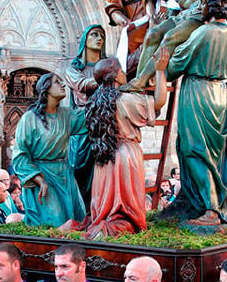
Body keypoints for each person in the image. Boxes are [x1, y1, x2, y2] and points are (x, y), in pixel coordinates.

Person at [158, 0, 227, 225]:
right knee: (217, 153)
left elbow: (174, 67)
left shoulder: (202, 33)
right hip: (219, 93)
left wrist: (163, 65)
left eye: (202, 2)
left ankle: (210, 210)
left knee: (195, 150)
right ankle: (213, 202)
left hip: (197, 93)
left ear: (208, 4)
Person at [70, 54, 168, 238]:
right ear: (115, 76)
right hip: (126, 156)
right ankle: (113, 228)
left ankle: (105, 224)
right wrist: (161, 70)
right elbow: (159, 102)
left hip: (103, 158)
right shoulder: (125, 99)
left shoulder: (93, 103)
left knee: (106, 206)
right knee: (127, 208)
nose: (124, 74)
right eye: (121, 70)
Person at [12, 73, 87, 227]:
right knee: (55, 222)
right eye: (57, 82)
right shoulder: (29, 118)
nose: (63, 85)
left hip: (64, 175)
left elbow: (91, 119)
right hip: (42, 176)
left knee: (77, 221)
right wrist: (39, 180)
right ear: (46, 89)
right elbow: (20, 157)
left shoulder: (66, 115)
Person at [64, 24, 107, 208]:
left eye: (102, 36)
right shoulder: (73, 69)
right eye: (94, 35)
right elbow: (82, 84)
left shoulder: (107, 64)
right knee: (79, 169)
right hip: (83, 124)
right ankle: (81, 210)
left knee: (103, 170)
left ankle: (98, 210)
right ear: (85, 40)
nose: (99, 39)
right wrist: (109, 76)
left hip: (105, 123)